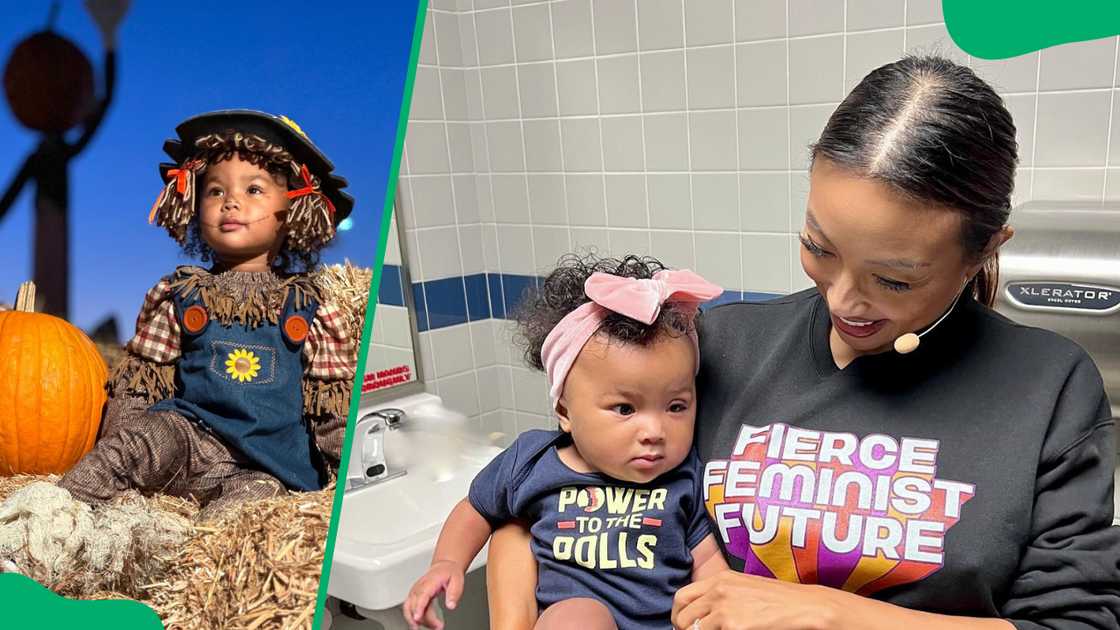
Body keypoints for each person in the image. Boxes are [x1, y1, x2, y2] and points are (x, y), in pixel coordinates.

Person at [488, 55, 1120, 629]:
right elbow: (549, 501)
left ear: (982, 250)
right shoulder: (718, 347)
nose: (843, 299)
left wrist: (832, 615)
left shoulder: (1048, 386)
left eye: (894, 279)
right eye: (820, 248)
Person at [53, 110, 358, 519]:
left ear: (294, 211)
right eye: (215, 191)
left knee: (250, 506)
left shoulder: (311, 309)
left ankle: (195, 552)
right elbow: (142, 384)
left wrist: (346, 479)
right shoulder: (181, 294)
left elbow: (332, 411)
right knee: (132, 448)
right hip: (186, 437)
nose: (230, 201)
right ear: (195, 206)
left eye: (253, 190)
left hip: (260, 464)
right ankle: (52, 518)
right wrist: (121, 442)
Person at [404, 255, 729, 630]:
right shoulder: (533, 462)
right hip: (576, 617)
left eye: (676, 406)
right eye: (625, 408)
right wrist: (446, 563)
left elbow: (706, 562)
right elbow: (475, 510)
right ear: (565, 410)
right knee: (579, 617)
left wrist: (718, 607)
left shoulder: (684, 477)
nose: (654, 430)